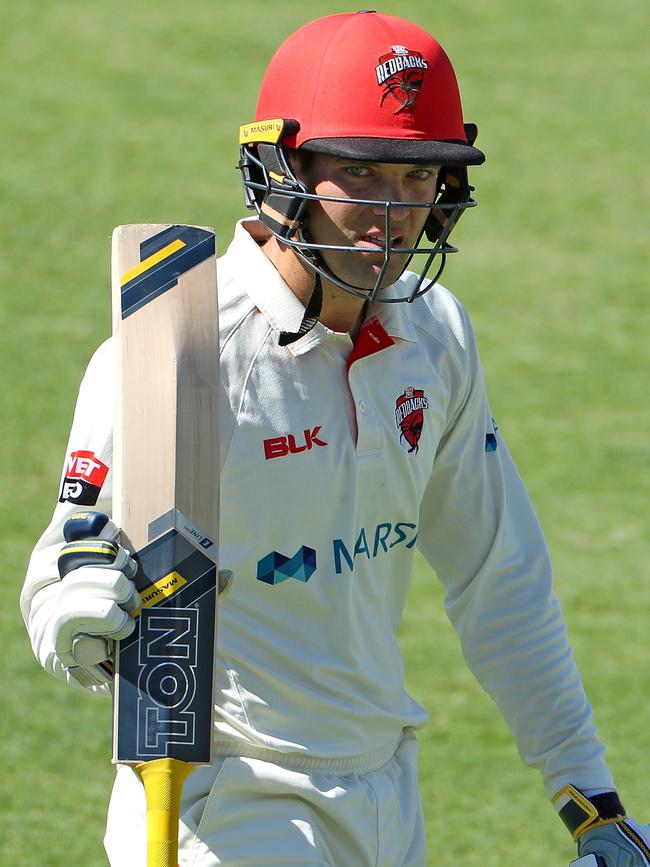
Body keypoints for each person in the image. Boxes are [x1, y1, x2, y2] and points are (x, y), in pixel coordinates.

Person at [20, 11, 649, 867]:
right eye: (360, 172)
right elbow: (66, 557)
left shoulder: (437, 335)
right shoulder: (182, 342)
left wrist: (591, 799)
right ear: (280, 172)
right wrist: (72, 607)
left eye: (417, 174)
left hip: (387, 790)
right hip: (225, 798)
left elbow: (499, 576)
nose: (391, 212)